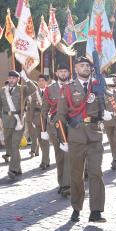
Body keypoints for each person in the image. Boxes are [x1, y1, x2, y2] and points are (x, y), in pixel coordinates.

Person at [57, 55, 109, 223]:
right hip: (76, 137)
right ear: (76, 69)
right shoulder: (68, 88)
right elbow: (61, 116)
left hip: (94, 135)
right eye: (82, 65)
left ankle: (96, 211)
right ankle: (76, 208)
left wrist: (105, 107)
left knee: (96, 173)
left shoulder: (97, 85)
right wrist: (63, 139)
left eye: (87, 65)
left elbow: (103, 104)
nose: (85, 67)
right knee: (76, 175)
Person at [0, 69, 36, 179]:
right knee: (9, 147)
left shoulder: (22, 89)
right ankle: (18, 168)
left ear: (18, 79)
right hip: (6, 121)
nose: (11, 80)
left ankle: (12, 169)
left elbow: (33, 89)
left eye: (14, 78)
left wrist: (26, 79)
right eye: (10, 78)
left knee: (15, 145)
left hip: (18, 121)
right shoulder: (3, 91)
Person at [42, 63, 71, 196]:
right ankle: (62, 183)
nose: (63, 73)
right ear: (57, 73)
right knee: (59, 156)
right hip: (55, 126)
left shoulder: (74, 86)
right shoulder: (50, 89)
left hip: (71, 125)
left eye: (65, 71)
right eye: (61, 71)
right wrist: (43, 130)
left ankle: (67, 184)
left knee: (69, 155)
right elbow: (44, 110)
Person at [27, 74, 51, 169]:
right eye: (39, 80)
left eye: (43, 80)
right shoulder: (34, 94)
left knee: (45, 140)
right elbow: (32, 108)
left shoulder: (51, 92)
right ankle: (46, 159)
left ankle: (44, 161)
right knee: (40, 141)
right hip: (37, 119)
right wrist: (32, 120)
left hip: (47, 119)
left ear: (46, 82)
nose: (41, 82)